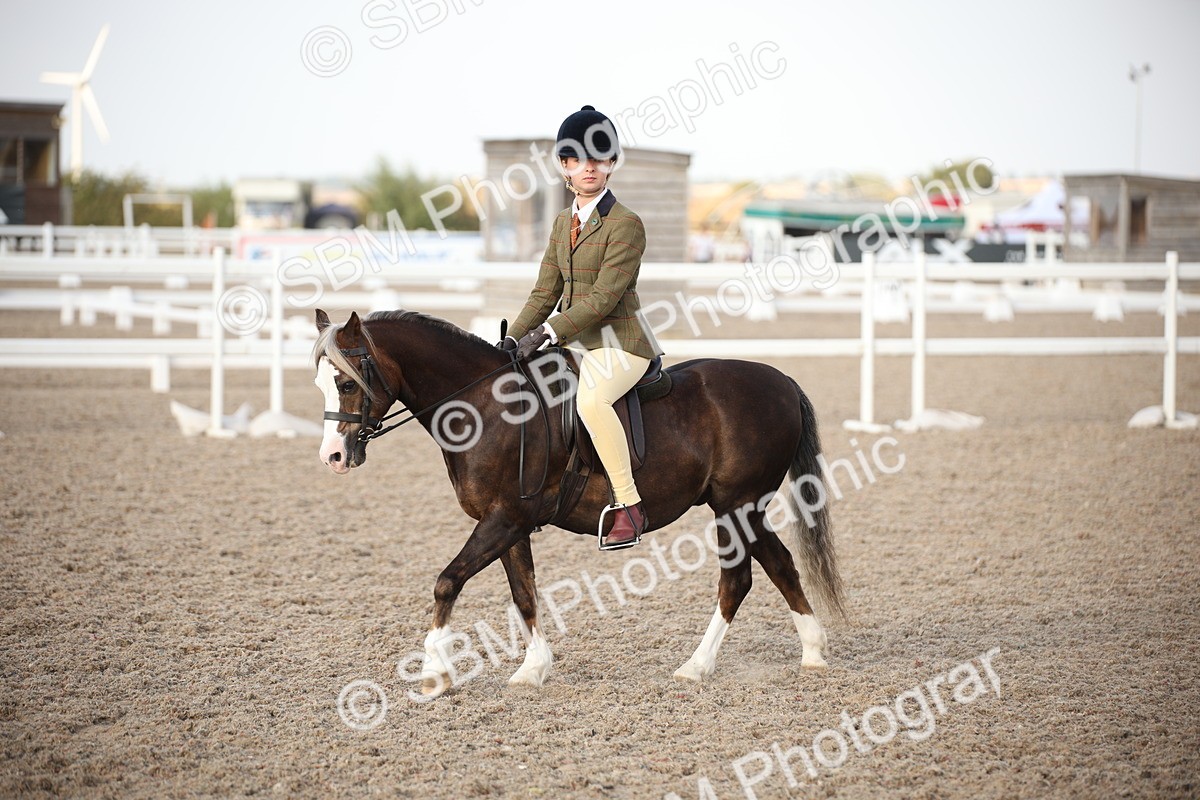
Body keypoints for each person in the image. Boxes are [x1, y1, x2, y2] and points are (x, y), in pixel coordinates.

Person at [502, 105, 663, 548]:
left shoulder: (626, 223)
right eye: (576, 158)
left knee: (591, 402)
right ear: (563, 167)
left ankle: (629, 505)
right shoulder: (561, 223)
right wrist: (514, 337)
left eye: (599, 157)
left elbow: (604, 298)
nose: (588, 166)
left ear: (611, 164)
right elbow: (543, 292)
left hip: (622, 344)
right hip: (578, 344)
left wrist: (552, 332)